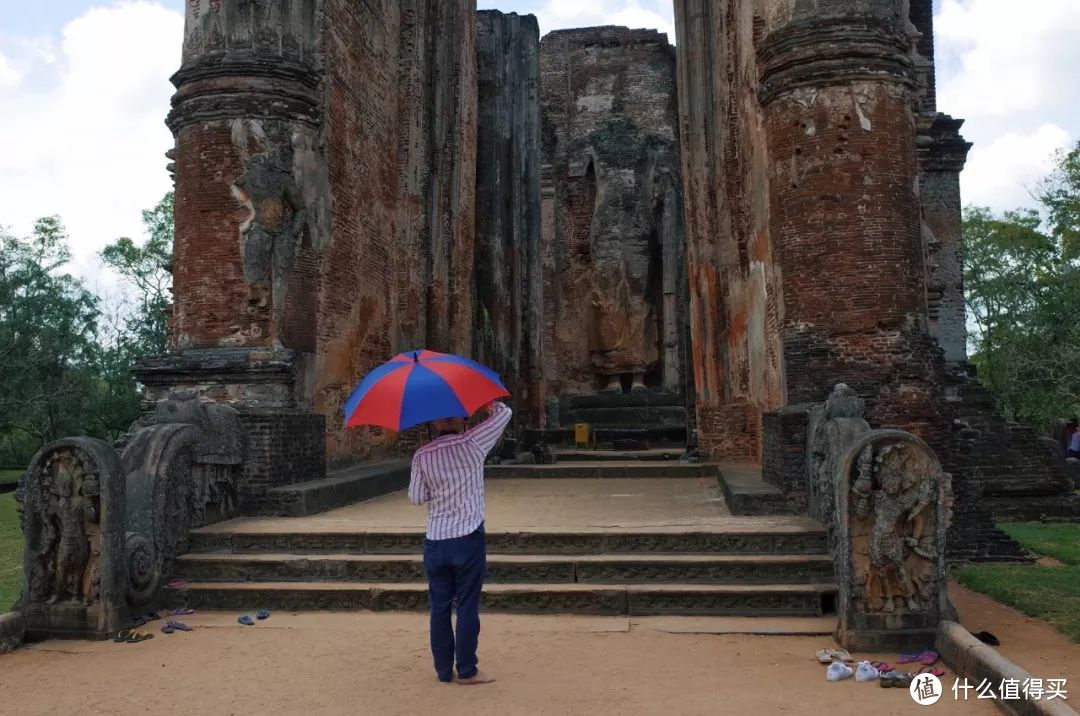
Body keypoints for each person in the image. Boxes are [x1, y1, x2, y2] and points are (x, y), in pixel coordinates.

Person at [408, 399, 512, 685]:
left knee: (439, 606)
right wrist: (483, 399)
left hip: (436, 540)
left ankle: (443, 671)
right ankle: (467, 670)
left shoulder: (421, 455)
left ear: (434, 423)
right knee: (467, 605)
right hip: (467, 537)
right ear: (462, 418)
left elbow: (416, 498)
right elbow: (504, 413)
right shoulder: (473, 444)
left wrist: (437, 492)